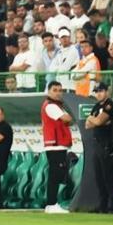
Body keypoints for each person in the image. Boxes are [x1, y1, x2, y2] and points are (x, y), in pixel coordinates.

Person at [41, 81, 73, 214]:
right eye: (55, 90)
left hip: (56, 144)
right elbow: (66, 118)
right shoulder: (51, 106)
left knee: (55, 174)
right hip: (55, 144)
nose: (58, 93)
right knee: (55, 175)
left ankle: (51, 204)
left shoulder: (56, 105)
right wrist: (69, 116)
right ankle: (52, 203)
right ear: (48, 91)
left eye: (60, 90)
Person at [85, 83, 113, 212]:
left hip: (106, 144)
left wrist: (94, 119)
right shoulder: (97, 105)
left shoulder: (110, 105)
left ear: (107, 91)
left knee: (108, 176)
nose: (98, 93)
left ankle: (112, 204)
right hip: (97, 143)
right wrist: (95, 119)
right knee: (99, 176)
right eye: (96, 91)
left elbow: (97, 122)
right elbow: (88, 125)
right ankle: (102, 203)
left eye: (101, 91)